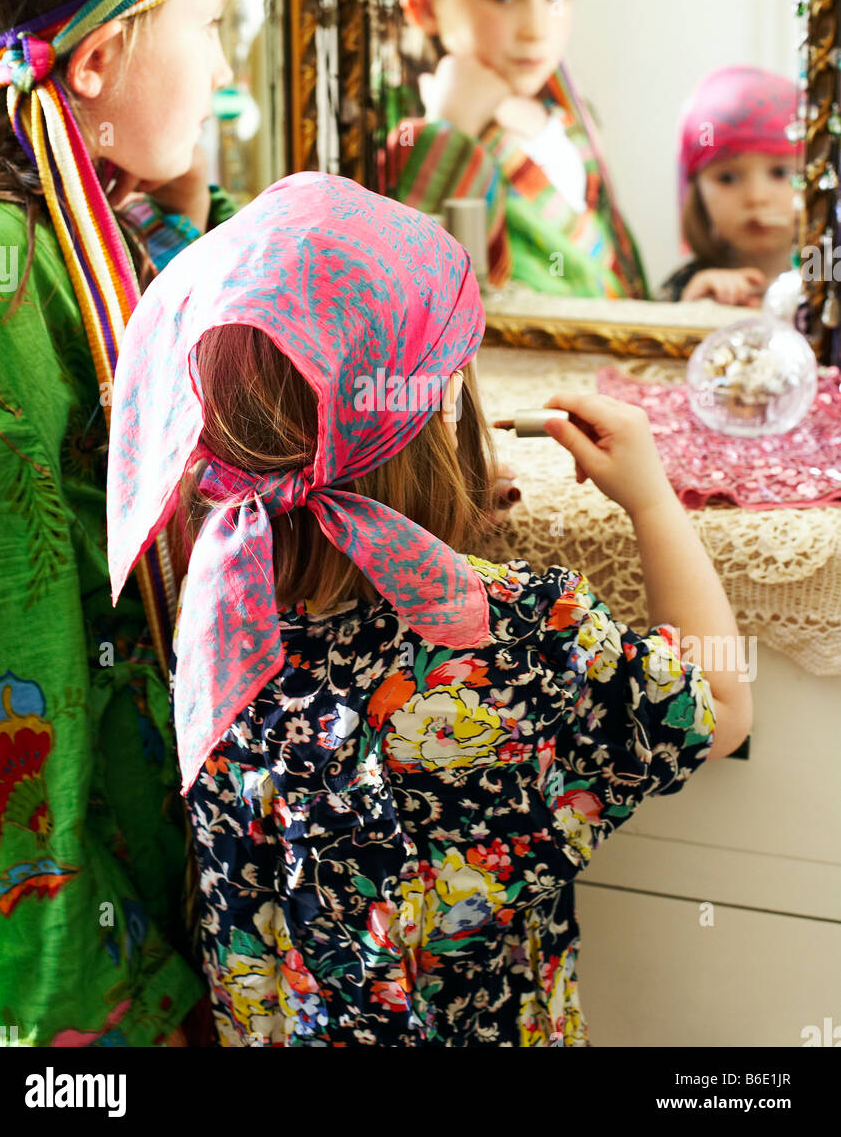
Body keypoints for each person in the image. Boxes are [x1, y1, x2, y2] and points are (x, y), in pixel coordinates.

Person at [106, 171, 753, 1047]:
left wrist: (405, 497)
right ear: (442, 413)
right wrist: (652, 501)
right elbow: (718, 707)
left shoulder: (216, 632)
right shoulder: (531, 634)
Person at [0, 0, 243, 1045]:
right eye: (210, 28)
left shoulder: (61, 236)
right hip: (54, 972)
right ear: (95, 61)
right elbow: (13, 648)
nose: (226, 71)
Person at [384, 0, 648, 300]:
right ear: (425, 7)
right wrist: (449, 127)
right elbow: (404, 281)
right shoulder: (402, 124)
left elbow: (612, 259)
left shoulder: (568, 114)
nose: (536, 29)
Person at [656, 65, 801, 303]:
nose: (757, 197)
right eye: (727, 178)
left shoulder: (830, 277)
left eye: (780, 172)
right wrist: (693, 309)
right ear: (696, 192)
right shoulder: (688, 286)